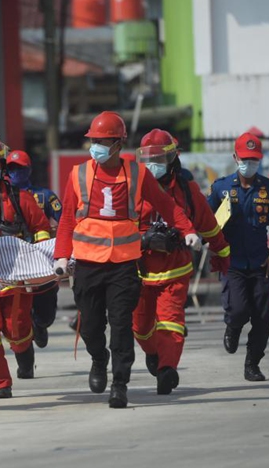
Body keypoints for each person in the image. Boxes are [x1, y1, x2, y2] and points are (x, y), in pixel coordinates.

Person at [53, 111, 199, 408]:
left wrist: (188, 230)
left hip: (124, 264)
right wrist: (60, 255)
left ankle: (120, 384)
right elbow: (67, 217)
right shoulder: (78, 174)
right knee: (92, 325)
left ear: (118, 144)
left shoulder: (137, 174)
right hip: (88, 264)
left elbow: (166, 205)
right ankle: (98, 358)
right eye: (94, 140)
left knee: (121, 325)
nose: (97, 146)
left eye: (104, 141)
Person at [133, 129, 231, 394]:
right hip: (138, 271)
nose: (152, 165)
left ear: (173, 159)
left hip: (175, 269)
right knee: (140, 328)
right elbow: (118, 227)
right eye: (147, 159)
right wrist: (144, 239)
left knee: (171, 321)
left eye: (158, 159)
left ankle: (167, 369)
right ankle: (154, 353)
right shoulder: (132, 190)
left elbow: (209, 227)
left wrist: (222, 254)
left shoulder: (187, 191)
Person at [0, 134, 51, 399]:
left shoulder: (19, 198)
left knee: (16, 328)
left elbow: (41, 229)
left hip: (14, 278)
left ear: (2, 166)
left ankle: (24, 353)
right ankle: (0, 384)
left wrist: (40, 261)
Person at [207, 132, 269, 381]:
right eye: (245, 159)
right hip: (232, 262)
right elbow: (205, 217)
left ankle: (252, 363)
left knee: (263, 316)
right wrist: (202, 237)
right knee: (238, 311)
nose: (249, 164)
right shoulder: (221, 188)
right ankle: (232, 328)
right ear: (235, 158)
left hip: (260, 263)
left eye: (254, 160)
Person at [6, 149, 62, 348]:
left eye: (19, 169)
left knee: (46, 315)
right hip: (12, 259)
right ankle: (24, 340)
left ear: (29, 170)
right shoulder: (0, 198)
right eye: (11, 168)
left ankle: (40, 324)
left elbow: (65, 221)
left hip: (41, 258)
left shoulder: (45, 196)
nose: (15, 173)